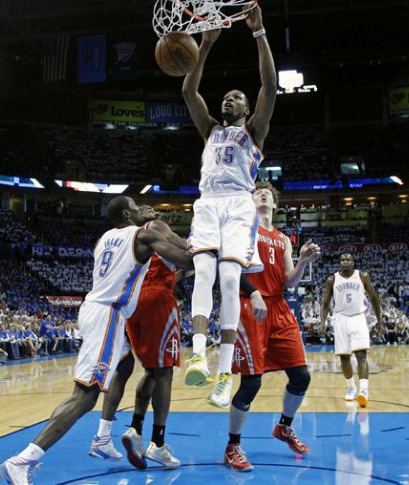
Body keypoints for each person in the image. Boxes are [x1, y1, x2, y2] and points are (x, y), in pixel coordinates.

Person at [0, 196, 193, 484]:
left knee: (114, 374)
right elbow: (186, 259)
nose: (143, 211)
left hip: (93, 310)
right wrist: (211, 244)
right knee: (85, 397)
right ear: (128, 214)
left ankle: (102, 439)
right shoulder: (143, 234)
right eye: (138, 208)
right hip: (109, 315)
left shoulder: (104, 239)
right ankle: (23, 459)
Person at [181, 3, 277, 409]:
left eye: (236, 97)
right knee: (203, 271)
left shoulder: (253, 131)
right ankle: (199, 352)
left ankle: (224, 373)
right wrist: (203, 46)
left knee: (228, 279)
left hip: (238, 204)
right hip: (207, 202)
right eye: (227, 96)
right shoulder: (210, 130)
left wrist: (259, 34)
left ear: (245, 109)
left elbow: (269, 88)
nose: (230, 98)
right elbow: (189, 91)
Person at [223, 181, 321, 472]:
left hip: (278, 306)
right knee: (252, 382)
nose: (262, 194)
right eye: (257, 192)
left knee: (301, 376)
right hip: (250, 305)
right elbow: (229, 267)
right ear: (250, 201)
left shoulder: (283, 238)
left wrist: (302, 261)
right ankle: (232, 446)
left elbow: (288, 281)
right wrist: (253, 293)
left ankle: (284, 427)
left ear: (275, 204)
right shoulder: (242, 229)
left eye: (267, 193)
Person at [87, 205, 190, 470]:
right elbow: (187, 251)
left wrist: (179, 276)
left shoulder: (118, 239)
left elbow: (159, 274)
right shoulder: (154, 227)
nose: (149, 209)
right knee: (165, 371)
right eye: (141, 207)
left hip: (132, 304)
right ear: (130, 215)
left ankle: (133, 429)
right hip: (156, 301)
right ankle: (157, 443)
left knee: (149, 370)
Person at [320, 253, 383, 407]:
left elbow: (374, 297)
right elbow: (325, 302)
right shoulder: (332, 279)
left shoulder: (362, 276)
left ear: (353, 262)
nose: (345, 262)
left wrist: (379, 320)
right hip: (340, 318)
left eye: (348, 259)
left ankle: (364, 391)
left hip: (358, 317)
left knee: (361, 355)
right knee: (344, 357)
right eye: (342, 260)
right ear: (339, 263)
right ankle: (351, 388)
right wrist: (322, 321)